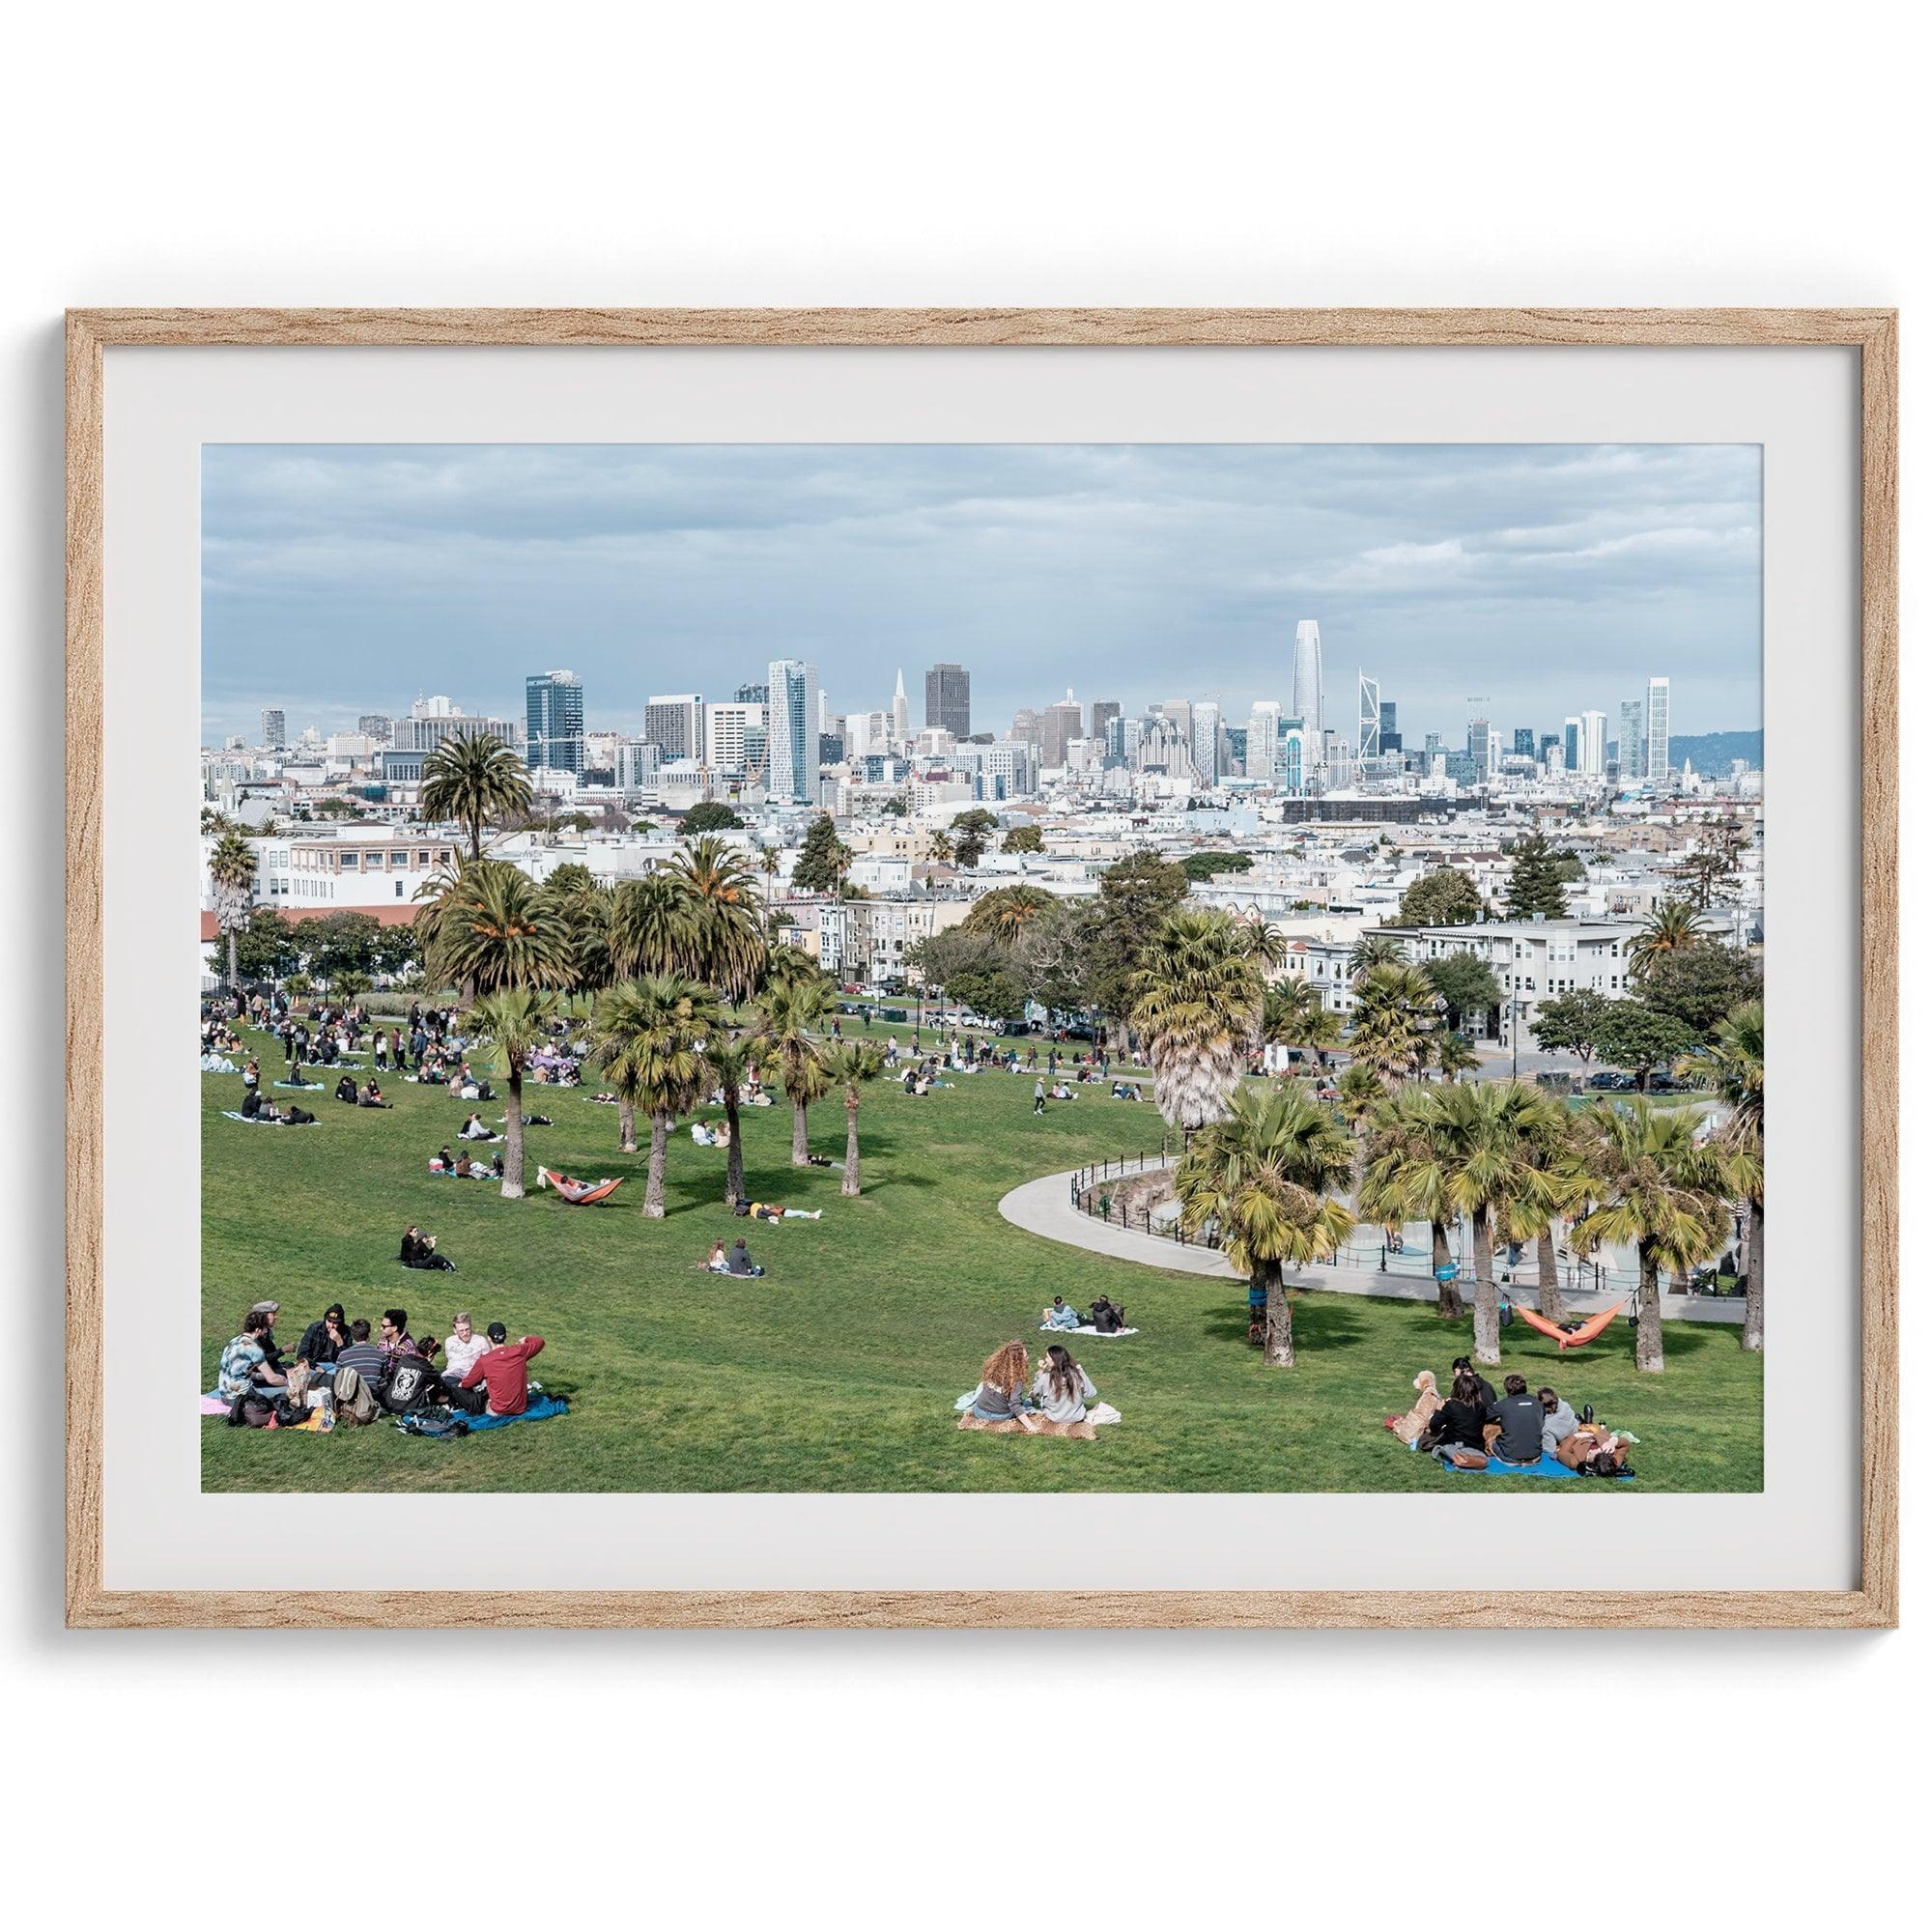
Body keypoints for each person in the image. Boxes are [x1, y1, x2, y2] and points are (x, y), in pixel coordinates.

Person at [457, 1322, 545, 1417]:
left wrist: (461, 1384)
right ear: (505, 1336)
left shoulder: (485, 1360)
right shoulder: (519, 1351)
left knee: (461, 1391)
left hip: (498, 1411)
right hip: (520, 1408)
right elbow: (540, 1342)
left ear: (489, 1338)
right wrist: (526, 1339)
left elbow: (468, 1383)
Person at [1420, 1370, 1492, 1463]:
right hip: (1477, 1446)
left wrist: (1438, 1410)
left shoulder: (1452, 1405)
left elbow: (1434, 1426)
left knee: (1425, 1439)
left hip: (1457, 1445)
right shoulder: (1480, 1406)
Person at [216, 1310, 285, 1404]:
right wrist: (288, 1383)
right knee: (288, 1391)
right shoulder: (254, 1349)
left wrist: (262, 1377)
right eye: (265, 1328)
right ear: (257, 1330)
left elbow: (242, 1371)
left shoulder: (233, 1341)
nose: (266, 1331)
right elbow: (272, 1379)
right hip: (240, 1398)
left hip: (225, 1395)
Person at [1486, 1374, 1546, 1467]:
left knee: (1490, 1436)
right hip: (1535, 1456)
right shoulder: (1538, 1404)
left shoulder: (1503, 1404)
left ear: (1507, 1389)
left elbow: (1485, 1416)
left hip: (1510, 1456)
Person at [1032, 1344, 1098, 1425]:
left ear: (1054, 1360)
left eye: (1047, 1357)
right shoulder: (1078, 1374)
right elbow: (1091, 1393)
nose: (1045, 1360)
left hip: (1053, 1418)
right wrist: (1081, 1371)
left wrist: (1040, 1371)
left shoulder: (1045, 1378)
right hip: (1076, 1417)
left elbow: (1033, 1394)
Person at [966, 1342, 1033, 1424]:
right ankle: (1029, 1402)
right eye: (1025, 1357)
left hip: (979, 1411)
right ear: (1018, 1361)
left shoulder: (993, 1368)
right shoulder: (1016, 1378)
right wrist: (1030, 1426)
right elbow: (1014, 1404)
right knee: (1022, 1405)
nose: (1028, 1358)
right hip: (999, 1416)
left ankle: (1028, 1401)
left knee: (1015, 1400)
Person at [296, 1302, 351, 1368]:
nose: (331, 1325)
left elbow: (348, 1360)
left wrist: (339, 1341)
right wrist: (315, 1367)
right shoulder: (315, 1328)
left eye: (335, 1323)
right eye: (329, 1321)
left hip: (335, 1366)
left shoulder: (346, 1332)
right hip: (314, 1364)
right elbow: (302, 1354)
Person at [1538, 1385, 1579, 1457]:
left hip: (1566, 1447)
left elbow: (1549, 1451)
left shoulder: (1547, 1427)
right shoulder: (1565, 1406)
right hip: (1578, 1437)